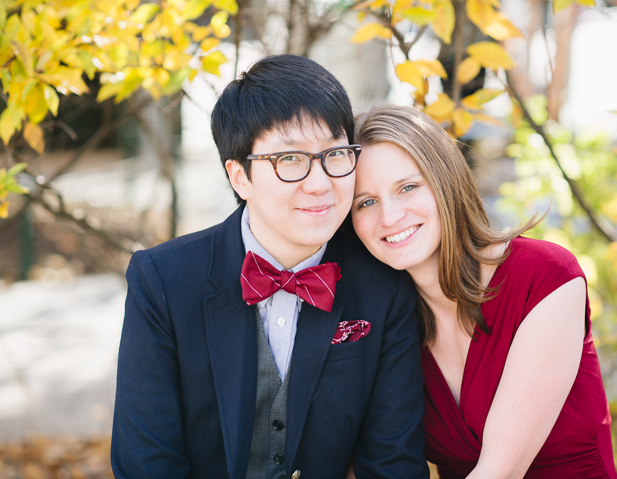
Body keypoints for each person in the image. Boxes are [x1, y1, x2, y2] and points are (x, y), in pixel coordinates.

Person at [111, 56, 429, 479]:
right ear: (239, 176)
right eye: (290, 160)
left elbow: (393, 464)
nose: (319, 183)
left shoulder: (383, 286)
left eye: (334, 153)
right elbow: (146, 463)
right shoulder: (163, 280)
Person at [350, 104, 617, 479]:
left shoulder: (543, 277)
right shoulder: (383, 322)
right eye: (366, 202)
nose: (389, 217)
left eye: (408, 187)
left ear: (444, 181)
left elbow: (499, 472)